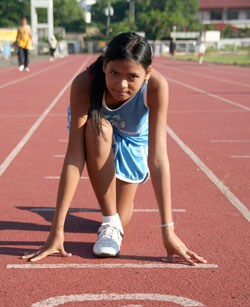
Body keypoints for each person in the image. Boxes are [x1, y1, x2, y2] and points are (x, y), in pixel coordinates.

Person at [23, 32, 206, 266]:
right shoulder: (84, 84)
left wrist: (168, 231)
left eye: (132, 77)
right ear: (104, 67)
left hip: (133, 138)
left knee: (124, 218)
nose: (121, 84)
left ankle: (115, 218)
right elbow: (74, 157)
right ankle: (109, 221)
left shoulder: (157, 86)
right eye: (114, 74)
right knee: (97, 130)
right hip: (97, 130)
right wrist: (56, 229)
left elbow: (158, 158)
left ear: (147, 73)